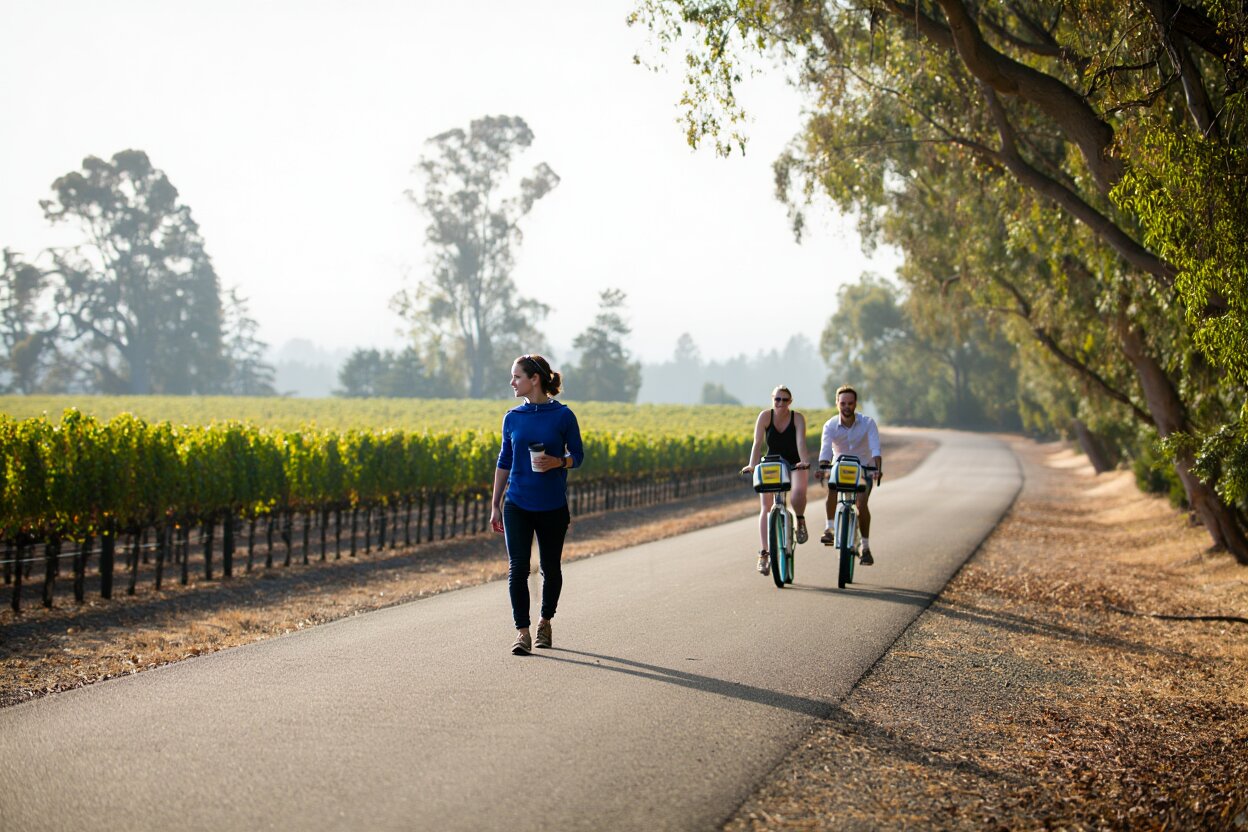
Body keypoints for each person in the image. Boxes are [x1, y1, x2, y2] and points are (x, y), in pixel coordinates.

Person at [489, 354, 584, 655]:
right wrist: (495, 504)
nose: (512, 382)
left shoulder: (564, 416)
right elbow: (504, 461)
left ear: (535, 379)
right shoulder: (512, 417)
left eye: (517, 376)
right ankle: (522, 632)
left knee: (550, 568)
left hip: (552, 505)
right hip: (517, 503)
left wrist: (558, 461)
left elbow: (578, 457)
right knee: (517, 568)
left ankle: (545, 621)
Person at [741, 385, 811, 576]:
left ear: (790, 402)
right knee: (765, 506)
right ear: (772, 399)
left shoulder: (797, 418)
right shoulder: (765, 416)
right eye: (777, 399)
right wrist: (752, 465)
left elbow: (801, 443)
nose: (780, 403)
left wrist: (804, 461)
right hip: (772, 462)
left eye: (784, 400)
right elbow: (757, 444)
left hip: (794, 462)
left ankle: (800, 520)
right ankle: (764, 553)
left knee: (797, 494)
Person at [815, 384, 883, 564]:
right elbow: (825, 451)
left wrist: (877, 469)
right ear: (837, 403)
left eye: (850, 403)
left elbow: (875, 449)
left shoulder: (868, 423)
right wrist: (823, 467)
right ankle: (829, 529)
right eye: (843, 403)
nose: (846, 407)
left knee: (861, 505)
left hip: (863, 469)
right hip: (840, 468)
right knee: (832, 487)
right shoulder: (830, 425)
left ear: (855, 404)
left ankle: (865, 547)